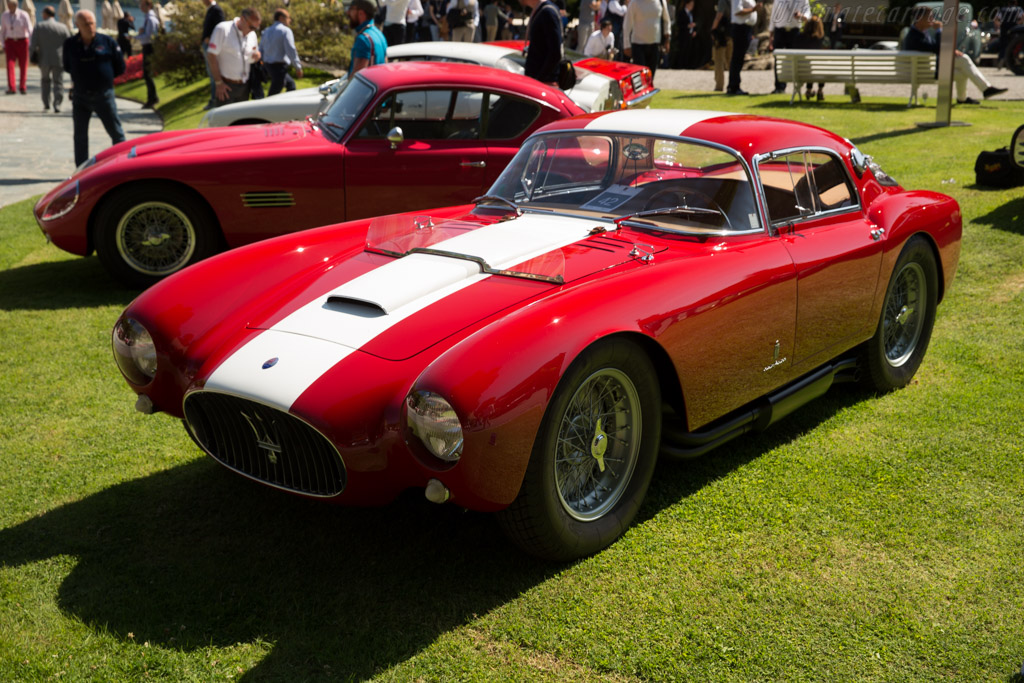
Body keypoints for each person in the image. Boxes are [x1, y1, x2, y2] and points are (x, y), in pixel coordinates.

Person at [904, 6, 1007, 105]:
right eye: (929, 17)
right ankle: (985, 89)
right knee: (963, 59)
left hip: (925, 70)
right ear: (919, 18)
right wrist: (939, 30)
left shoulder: (920, 33)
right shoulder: (915, 37)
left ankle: (963, 98)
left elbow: (935, 48)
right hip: (925, 72)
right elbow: (938, 49)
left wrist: (952, 50)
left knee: (962, 70)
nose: (933, 19)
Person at [63, 9, 125, 165]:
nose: (90, 27)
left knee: (116, 133)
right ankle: (81, 169)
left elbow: (120, 66)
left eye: (92, 23)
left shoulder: (107, 42)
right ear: (77, 25)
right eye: (86, 24)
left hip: (104, 95)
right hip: (81, 96)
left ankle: (123, 164)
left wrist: (104, 78)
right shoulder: (70, 44)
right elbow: (67, 66)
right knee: (80, 136)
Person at [206, 7, 262, 106]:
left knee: (242, 120)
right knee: (225, 120)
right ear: (243, 19)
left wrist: (256, 57)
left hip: (245, 85)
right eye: (251, 27)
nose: (253, 30)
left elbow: (250, 57)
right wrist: (218, 82)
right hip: (227, 86)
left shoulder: (252, 35)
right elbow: (211, 55)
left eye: (256, 28)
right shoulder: (223, 29)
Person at [29, 6, 70, 111]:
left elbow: (33, 45)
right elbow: (69, 44)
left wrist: (32, 58)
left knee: (45, 81)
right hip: (58, 59)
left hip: (44, 59)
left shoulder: (39, 26)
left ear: (46, 14)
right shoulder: (63, 27)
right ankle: (57, 104)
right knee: (58, 82)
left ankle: (46, 104)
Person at [768, 0, 809, 93]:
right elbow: (773, 17)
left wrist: (801, 16)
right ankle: (779, 87)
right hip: (780, 31)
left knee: (795, 60)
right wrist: (771, 36)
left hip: (794, 32)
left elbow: (808, 14)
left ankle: (797, 87)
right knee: (778, 60)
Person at [260, 9, 302, 96]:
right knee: (276, 90)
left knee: (290, 85)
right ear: (281, 18)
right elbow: (291, 50)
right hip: (279, 66)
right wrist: (298, 67)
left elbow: (261, 48)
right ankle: (268, 107)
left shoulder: (266, 30)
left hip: (268, 65)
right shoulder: (285, 31)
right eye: (288, 18)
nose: (289, 20)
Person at [623, 0, 670, 76]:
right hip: (638, 45)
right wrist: (626, 45)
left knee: (651, 75)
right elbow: (627, 25)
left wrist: (667, 40)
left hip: (655, 45)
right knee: (640, 75)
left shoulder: (661, 2)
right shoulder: (634, 2)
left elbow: (666, 21)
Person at [521, 0, 561, 85]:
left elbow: (555, 52)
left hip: (544, 84)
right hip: (540, 81)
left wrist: (539, 80)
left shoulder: (547, 12)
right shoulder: (541, 10)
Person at [727, 0, 760, 95]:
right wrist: (753, 9)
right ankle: (733, 87)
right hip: (740, 28)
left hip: (746, 28)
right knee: (737, 58)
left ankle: (734, 85)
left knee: (739, 58)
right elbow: (737, 11)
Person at [346, 0, 385, 77]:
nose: (348, 12)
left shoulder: (363, 39)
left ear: (361, 13)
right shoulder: (379, 34)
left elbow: (357, 77)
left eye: (351, 9)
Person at [2, 0, 32, 94]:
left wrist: (30, 44)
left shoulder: (23, 14)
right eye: (8, 5)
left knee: (23, 65)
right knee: (10, 65)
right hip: (10, 42)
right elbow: (2, 31)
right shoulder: (5, 15)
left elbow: (30, 29)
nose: (9, 7)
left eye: (11, 5)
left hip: (22, 41)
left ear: (16, 5)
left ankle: (22, 87)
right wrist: (3, 44)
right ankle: (12, 87)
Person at [200, 0, 225, 110]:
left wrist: (210, 38)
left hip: (212, 47)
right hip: (209, 46)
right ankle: (214, 100)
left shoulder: (216, 10)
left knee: (214, 74)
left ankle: (215, 101)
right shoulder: (211, 10)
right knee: (212, 75)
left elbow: (220, 26)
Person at [794, 14, 824, 100]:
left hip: (798, 73)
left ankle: (808, 90)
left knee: (808, 66)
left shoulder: (798, 38)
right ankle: (820, 90)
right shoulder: (819, 41)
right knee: (820, 68)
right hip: (813, 72)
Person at [137, 0, 159, 107]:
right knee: (147, 74)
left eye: (142, 5)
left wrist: (135, 37)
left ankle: (152, 98)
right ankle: (152, 98)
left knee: (147, 74)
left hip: (149, 48)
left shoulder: (150, 19)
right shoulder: (148, 18)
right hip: (148, 47)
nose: (140, 7)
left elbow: (149, 36)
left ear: (149, 5)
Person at [709, 0, 731, 91]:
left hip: (721, 34)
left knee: (718, 60)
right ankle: (733, 84)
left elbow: (719, 16)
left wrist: (713, 29)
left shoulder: (722, 1)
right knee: (730, 60)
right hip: (730, 33)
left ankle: (719, 86)